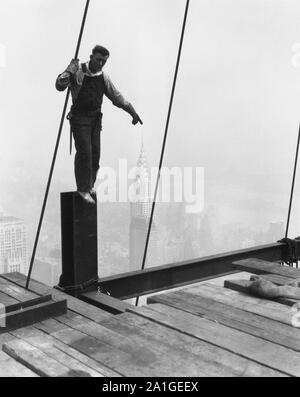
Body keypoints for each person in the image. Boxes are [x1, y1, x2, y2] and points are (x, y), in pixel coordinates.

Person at [55, 45, 143, 204]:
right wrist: (69, 71)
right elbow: (59, 86)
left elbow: (117, 97)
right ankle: (82, 189)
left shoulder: (103, 77)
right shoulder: (79, 72)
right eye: (98, 60)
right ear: (91, 57)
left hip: (95, 121)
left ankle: (89, 186)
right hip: (80, 120)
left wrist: (132, 112)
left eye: (104, 61)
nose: (101, 63)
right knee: (85, 153)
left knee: (95, 155)